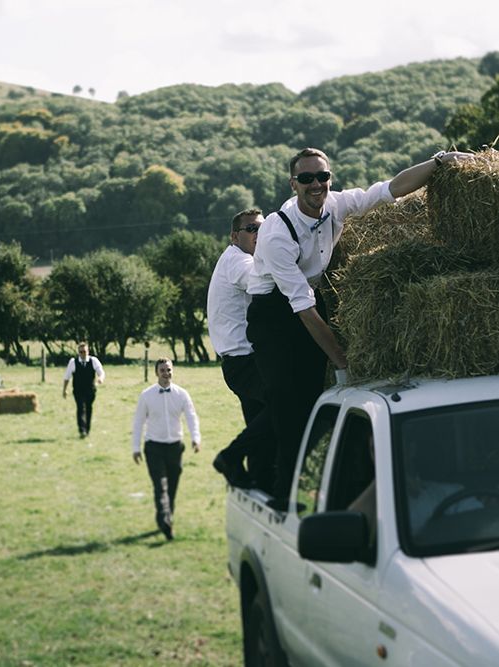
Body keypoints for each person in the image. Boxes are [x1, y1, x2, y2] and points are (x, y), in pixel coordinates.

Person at [213, 146, 473, 501]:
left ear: (330, 178)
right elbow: (302, 310)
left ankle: (246, 462)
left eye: (322, 176)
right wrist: (343, 363)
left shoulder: (336, 204)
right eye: (306, 178)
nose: (316, 184)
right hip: (273, 315)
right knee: (290, 413)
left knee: (306, 404)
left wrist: (439, 161)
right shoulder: (276, 233)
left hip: (306, 300)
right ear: (294, 184)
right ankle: (280, 497)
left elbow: (389, 189)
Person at [207, 208, 271, 487]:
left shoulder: (234, 259)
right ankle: (230, 456)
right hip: (244, 361)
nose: (259, 234)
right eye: (252, 229)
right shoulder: (239, 261)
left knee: (259, 420)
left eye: (263, 228)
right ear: (235, 236)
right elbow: (262, 282)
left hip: (240, 361)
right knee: (286, 405)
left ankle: (259, 477)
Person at [131, 357, 201, 540]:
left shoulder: (182, 394)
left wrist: (196, 438)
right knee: (160, 486)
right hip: (153, 446)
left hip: (175, 447)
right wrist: (135, 447)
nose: (166, 373)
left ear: (172, 371)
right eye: (162, 370)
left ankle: (165, 518)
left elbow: (191, 416)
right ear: (156, 373)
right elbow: (138, 422)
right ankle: (166, 522)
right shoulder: (146, 395)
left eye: (169, 370)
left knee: (172, 487)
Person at [62, 341, 105, 437]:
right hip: (78, 390)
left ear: (88, 351)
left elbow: (101, 372)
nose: (83, 354)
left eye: (84, 351)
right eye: (81, 352)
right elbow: (67, 377)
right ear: (78, 352)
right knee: (81, 408)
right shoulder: (73, 362)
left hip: (90, 390)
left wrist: (100, 379)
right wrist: (64, 389)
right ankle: (82, 430)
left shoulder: (93, 361)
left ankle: (87, 429)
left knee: (89, 408)